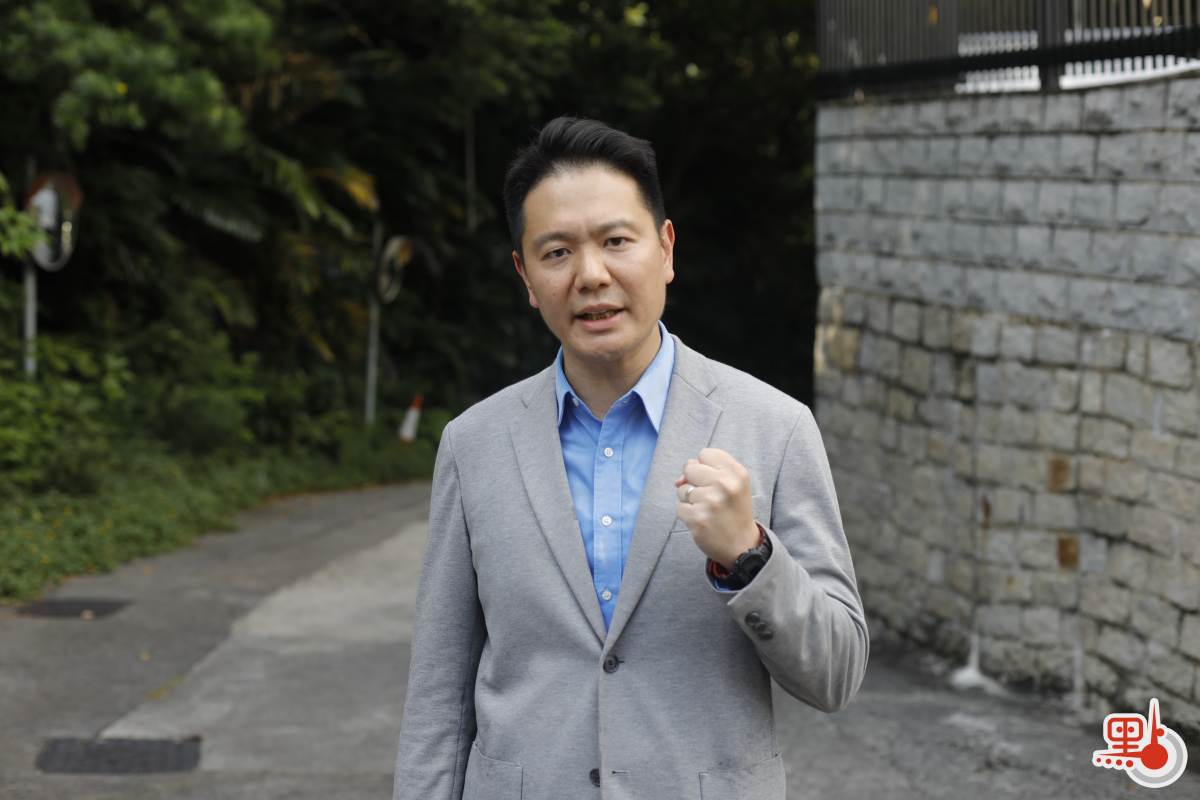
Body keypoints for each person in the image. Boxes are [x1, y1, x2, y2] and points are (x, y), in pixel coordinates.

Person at [392, 116, 868, 800]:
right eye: (557, 252)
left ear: (666, 249)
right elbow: (437, 697)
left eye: (616, 241)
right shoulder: (474, 445)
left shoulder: (775, 427)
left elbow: (837, 675)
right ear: (526, 275)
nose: (591, 275)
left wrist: (751, 557)